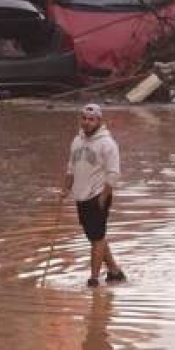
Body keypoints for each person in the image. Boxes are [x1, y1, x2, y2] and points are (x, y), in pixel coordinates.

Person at [61, 104, 126, 288]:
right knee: (95, 236)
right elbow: (70, 168)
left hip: (98, 195)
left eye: (91, 119)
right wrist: (66, 189)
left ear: (99, 121)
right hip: (80, 196)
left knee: (97, 238)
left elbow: (114, 174)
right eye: (84, 118)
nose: (87, 123)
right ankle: (115, 271)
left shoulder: (108, 144)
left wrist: (103, 197)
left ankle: (94, 279)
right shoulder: (76, 141)